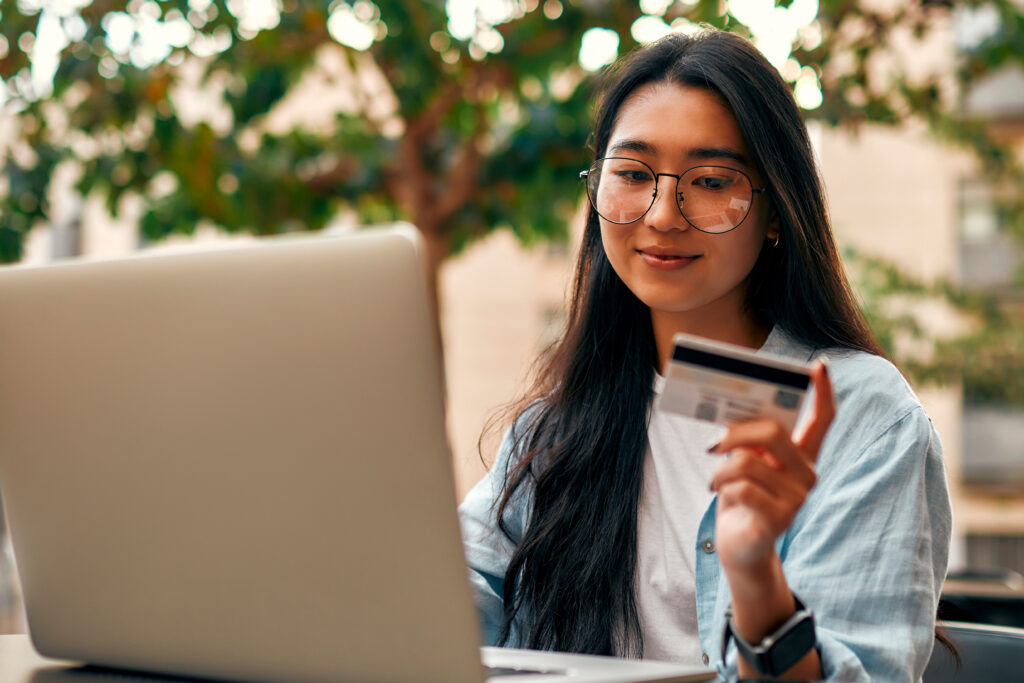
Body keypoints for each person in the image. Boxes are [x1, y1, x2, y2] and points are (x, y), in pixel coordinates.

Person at [458, 28, 951, 682]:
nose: (663, 214)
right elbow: (447, 595)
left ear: (777, 210)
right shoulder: (556, 426)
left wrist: (755, 579)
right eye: (632, 174)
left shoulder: (865, 420)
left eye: (712, 180)